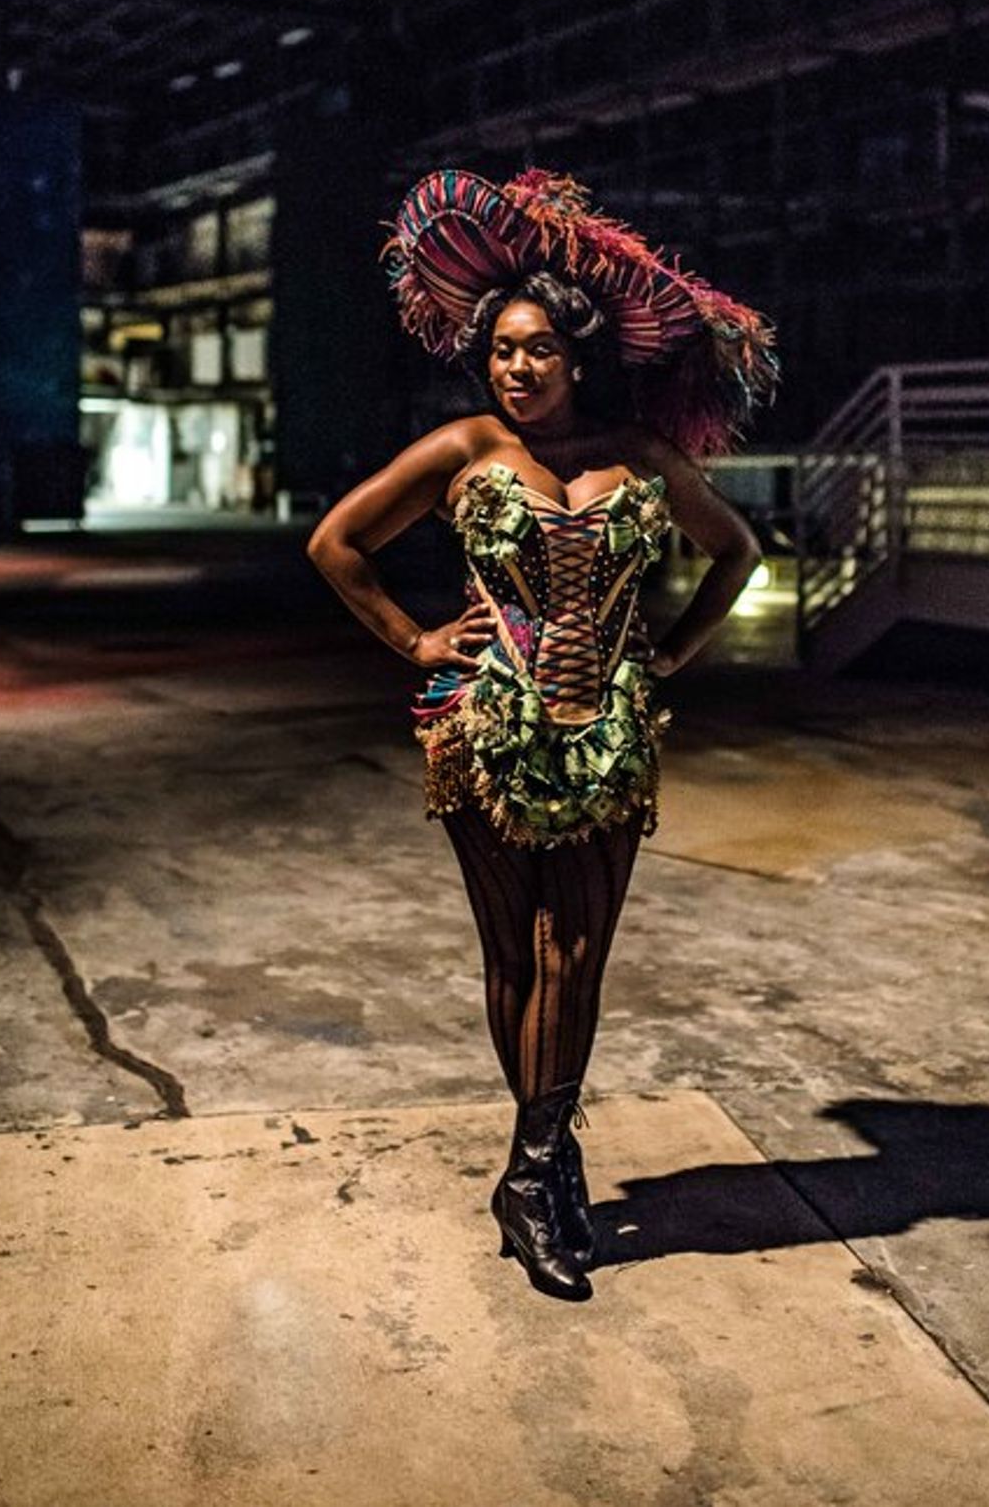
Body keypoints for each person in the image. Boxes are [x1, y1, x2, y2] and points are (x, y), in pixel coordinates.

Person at [308, 168, 777, 1302]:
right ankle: (544, 1167)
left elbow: (735, 555)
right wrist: (417, 641)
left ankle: (531, 1170)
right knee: (514, 956)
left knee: (580, 955)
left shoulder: (640, 458)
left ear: (579, 359)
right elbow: (336, 544)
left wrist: (666, 653)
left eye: (537, 352)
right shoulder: (463, 445)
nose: (516, 368)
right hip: (486, 732)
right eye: (502, 349)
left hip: (607, 736)